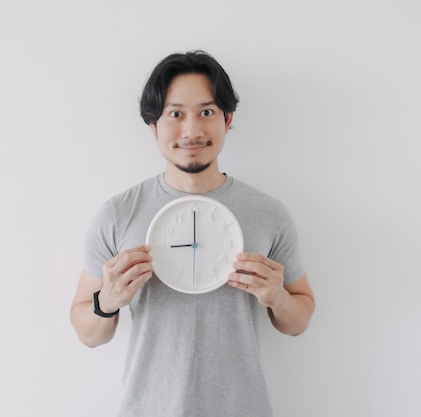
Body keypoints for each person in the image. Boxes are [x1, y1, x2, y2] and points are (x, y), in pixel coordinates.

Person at [70, 50, 315, 417]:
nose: (192, 130)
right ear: (153, 125)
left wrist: (277, 296)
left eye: (206, 112)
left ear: (227, 118)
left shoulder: (268, 213)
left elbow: (299, 319)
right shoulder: (118, 213)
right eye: (175, 113)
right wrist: (107, 301)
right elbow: (87, 332)